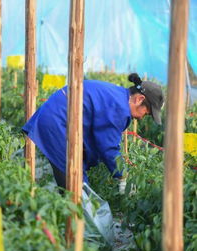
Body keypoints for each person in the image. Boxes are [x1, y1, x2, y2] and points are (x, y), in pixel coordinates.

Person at [22, 73, 164, 193]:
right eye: (146, 113)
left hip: (55, 120)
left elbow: (97, 138)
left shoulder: (118, 96)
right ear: (140, 99)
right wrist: (123, 175)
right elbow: (107, 147)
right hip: (58, 124)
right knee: (76, 192)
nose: (140, 118)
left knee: (67, 183)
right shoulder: (120, 108)